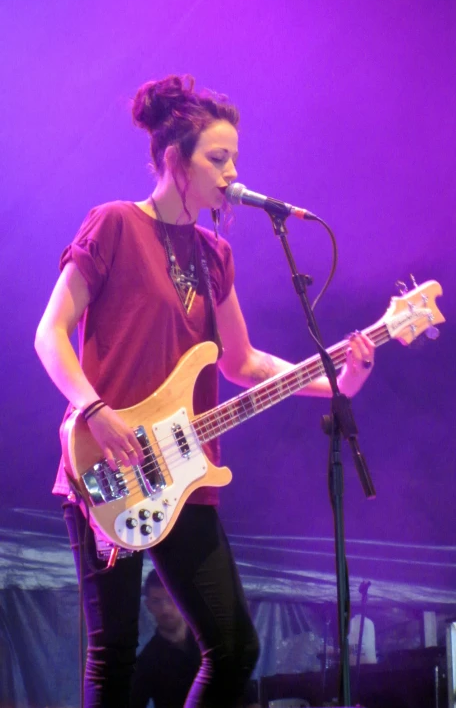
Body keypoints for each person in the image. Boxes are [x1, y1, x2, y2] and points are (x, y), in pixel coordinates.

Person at [34, 73, 375, 708]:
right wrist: (94, 408)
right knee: (113, 659)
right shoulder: (112, 224)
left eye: (235, 159)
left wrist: (336, 380)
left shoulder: (214, 254)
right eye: (217, 158)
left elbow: (243, 363)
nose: (232, 173)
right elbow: (49, 334)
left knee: (235, 649)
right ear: (174, 159)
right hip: (106, 462)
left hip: (184, 468)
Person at [131, 569, 259, 708]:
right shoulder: (147, 661)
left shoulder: (213, 642)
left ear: (183, 600)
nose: (165, 609)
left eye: (170, 599)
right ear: (148, 605)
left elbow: (247, 695)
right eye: (156, 601)